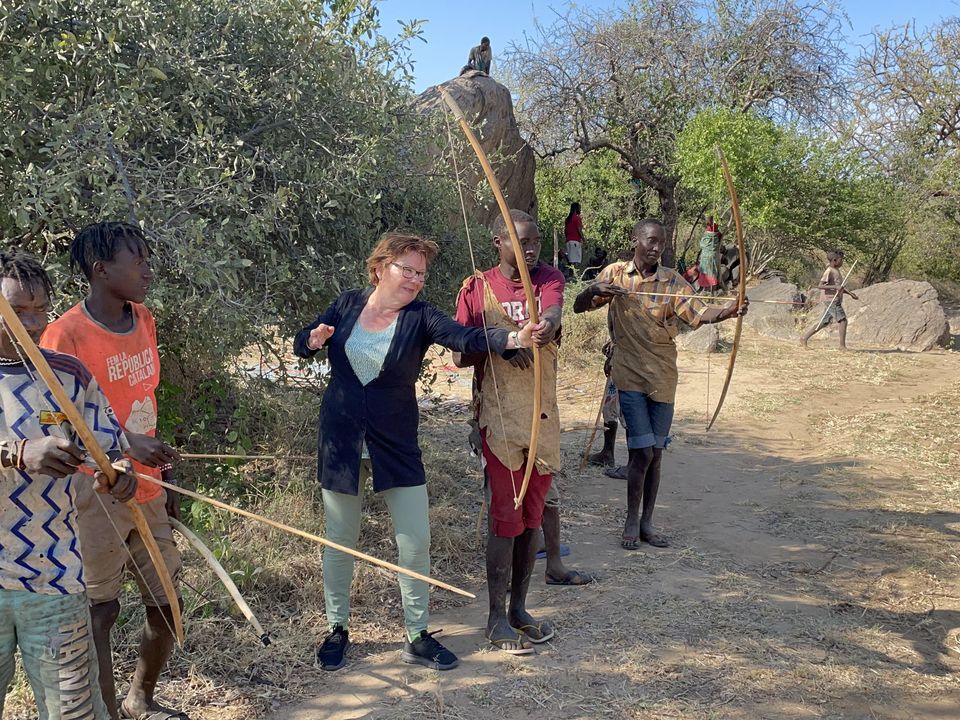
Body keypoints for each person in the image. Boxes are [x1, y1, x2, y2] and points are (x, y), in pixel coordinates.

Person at [294, 232, 540, 672]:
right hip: (341, 441)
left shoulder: (421, 316)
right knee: (339, 539)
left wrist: (513, 338)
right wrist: (311, 340)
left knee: (415, 542)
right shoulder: (347, 304)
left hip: (397, 444)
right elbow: (305, 342)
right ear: (379, 268)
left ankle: (417, 634)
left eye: (420, 273)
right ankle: (337, 629)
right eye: (405, 269)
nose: (413, 279)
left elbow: (465, 337)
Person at [41, 222, 186, 720]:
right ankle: (104, 710)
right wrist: (123, 445)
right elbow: (56, 429)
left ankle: (139, 699)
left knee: (167, 603)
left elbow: (145, 401)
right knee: (99, 611)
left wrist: (165, 479)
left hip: (146, 485)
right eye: (137, 259)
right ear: (101, 270)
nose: (148, 269)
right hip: (93, 493)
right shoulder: (64, 334)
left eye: (148, 257)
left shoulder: (143, 318)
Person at [0, 250, 138, 720]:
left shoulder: (67, 375)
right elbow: (19, 454)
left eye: (40, 308)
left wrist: (117, 475)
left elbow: (109, 448)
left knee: (73, 712)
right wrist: (16, 453)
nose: (34, 322)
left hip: (55, 575)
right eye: (18, 311)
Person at [573, 219, 748, 549]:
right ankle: (630, 518)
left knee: (655, 452)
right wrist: (593, 290)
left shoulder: (672, 281)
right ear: (635, 239)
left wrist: (728, 311)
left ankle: (647, 522)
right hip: (629, 373)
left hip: (663, 375)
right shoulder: (615, 274)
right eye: (650, 241)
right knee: (640, 450)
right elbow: (579, 306)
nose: (656, 248)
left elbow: (700, 312)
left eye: (661, 243)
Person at [801, 249, 858, 350]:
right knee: (843, 320)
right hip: (831, 299)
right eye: (841, 260)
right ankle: (842, 346)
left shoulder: (837, 271)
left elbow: (839, 287)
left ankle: (804, 338)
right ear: (835, 260)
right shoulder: (829, 271)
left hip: (834, 299)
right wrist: (835, 288)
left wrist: (850, 294)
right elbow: (820, 286)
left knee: (824, 322)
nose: (842, 262)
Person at [697, 216, 722, 294]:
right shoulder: (715, 231)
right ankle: (706, 289)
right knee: (707, 271)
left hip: (708, 253)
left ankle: (709, 290)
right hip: (709, 253)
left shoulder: (712, 228)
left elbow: (703, 244)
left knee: (709, 271)